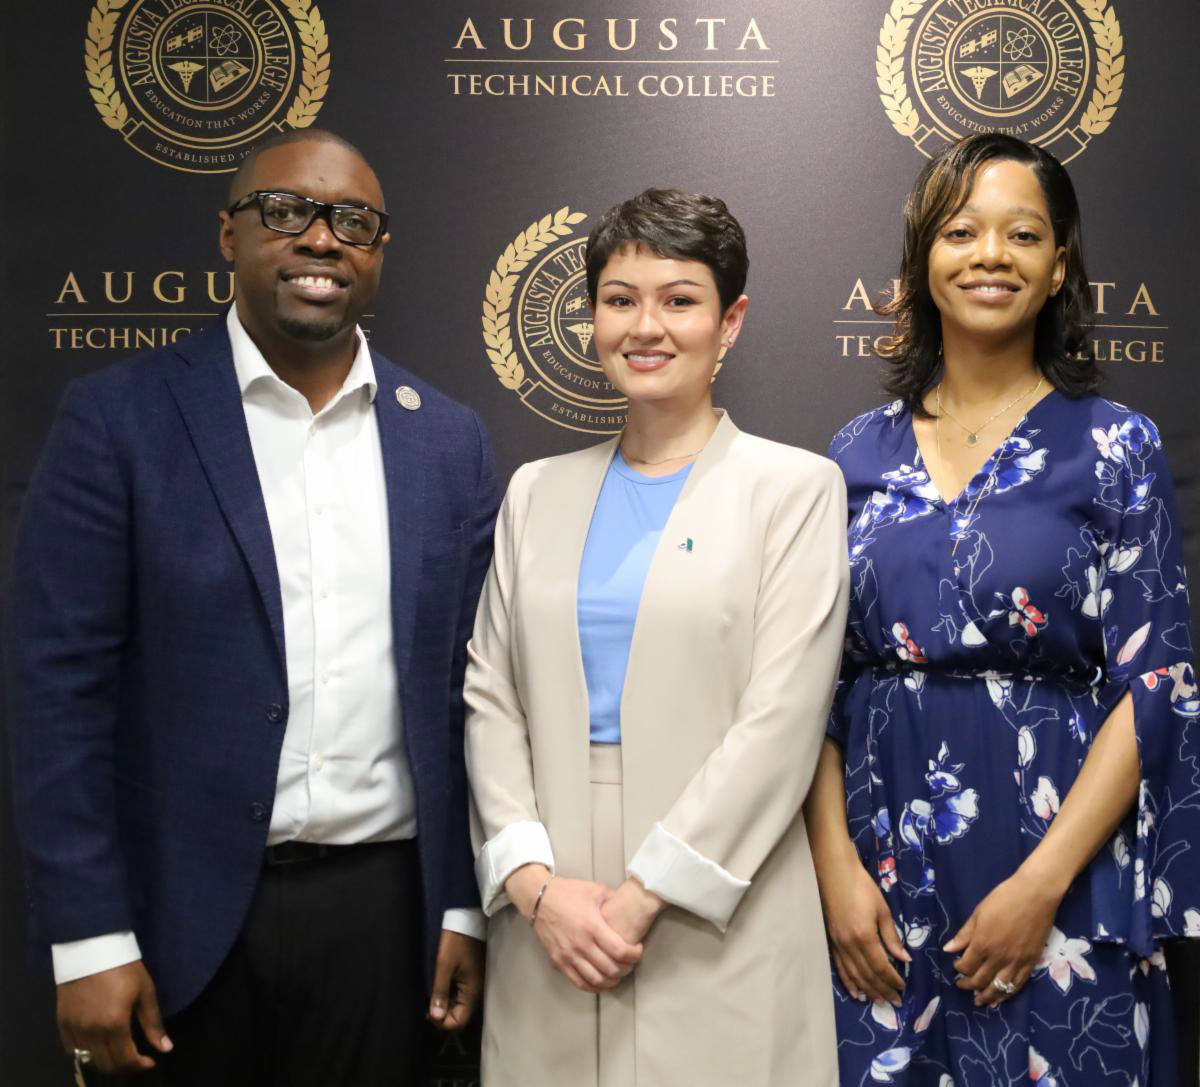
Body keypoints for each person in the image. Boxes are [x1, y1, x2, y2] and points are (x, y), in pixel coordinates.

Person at [6, 129, 498, 1085]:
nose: (321, 238)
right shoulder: (118, 420)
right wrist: (88, 934)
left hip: (385, 924)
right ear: (227, 236)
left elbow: (464, 697)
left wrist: (461, 905)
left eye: (352, 221)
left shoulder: (449, 442)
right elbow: (57, 692)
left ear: (381, 251)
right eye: (285, 211)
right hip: (175, 925)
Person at [806, 133, 1200, 1085]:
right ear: (921, 261)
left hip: (1057, 870)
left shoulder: (1118, 446)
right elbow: (807, 687)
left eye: (1022, 233)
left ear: (1060, 261)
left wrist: (1041, 885)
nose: (991, 254)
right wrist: (836, 876)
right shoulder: (850, 454)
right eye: (960, 230)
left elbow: (1155, 684)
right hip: (879, 884)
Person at [464, 188, 848, 1086]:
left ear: (731, 321)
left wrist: (643, 899)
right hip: (553, 908)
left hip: (718, 901)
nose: (647, 325)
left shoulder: (793, 490)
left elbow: (781, 724)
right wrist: (534, 887)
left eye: (679, 299)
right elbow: (489, 694)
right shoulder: (534, 492)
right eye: (619, 298)